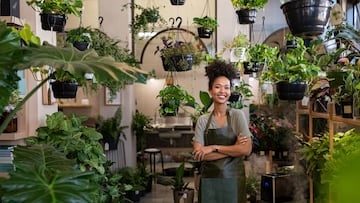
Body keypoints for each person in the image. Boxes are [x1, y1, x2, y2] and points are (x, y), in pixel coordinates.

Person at [192, 60, 252, 203]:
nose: (222, 91)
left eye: (226, 87)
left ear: (230, 91)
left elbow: (246, 149)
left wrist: (213, 148)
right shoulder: (202, 120)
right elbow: (199, 155)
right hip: (209, 183)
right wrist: (234, 149)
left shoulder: (237, 115)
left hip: (234, 180)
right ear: (211, 91)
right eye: (218, 87)